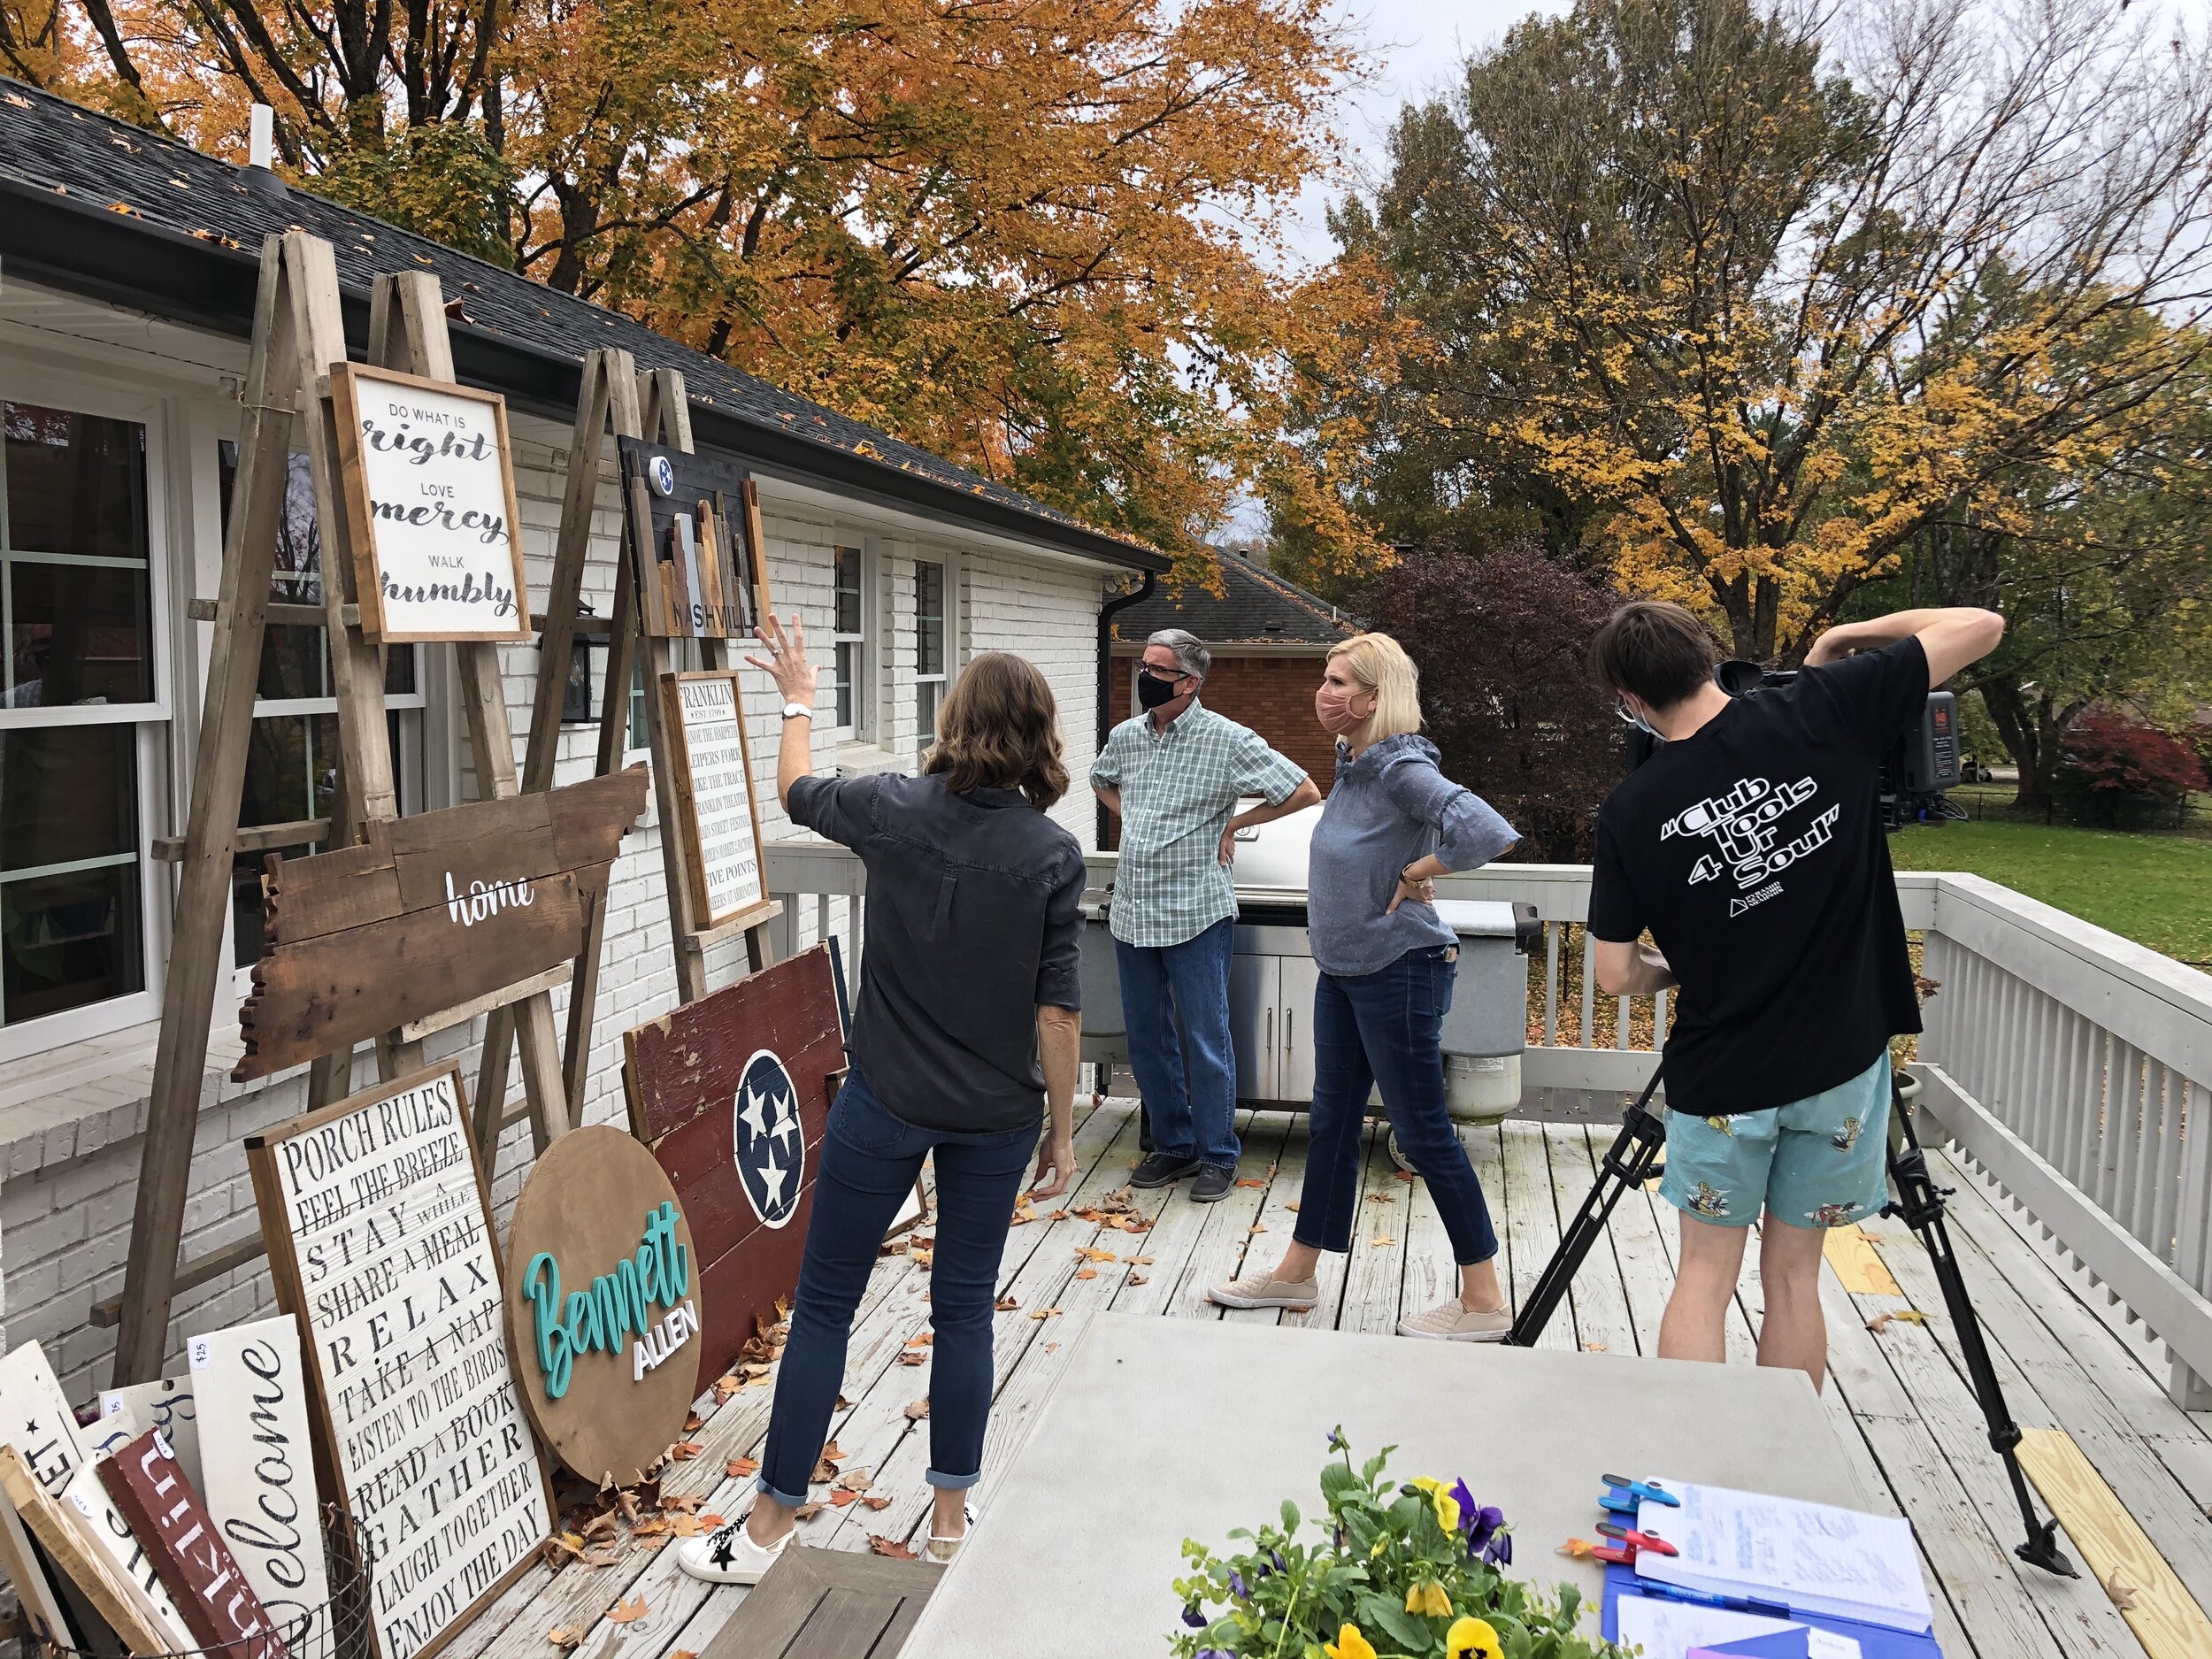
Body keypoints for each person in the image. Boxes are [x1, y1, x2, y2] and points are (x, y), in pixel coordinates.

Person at [677, 619, 1085, 1586]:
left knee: (823, 1306)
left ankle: (769, 1528)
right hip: (996, 1115)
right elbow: (1058, 1014)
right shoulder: (1052, 853)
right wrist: (1063, 1131)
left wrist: (800, 697)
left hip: (887, 1101)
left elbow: (790, 788)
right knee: (964, 1312)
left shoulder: (891, 809)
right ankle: (948, 1520)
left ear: (955, 721)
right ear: (1037, 735)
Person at [1585, 600, 2005, 1387]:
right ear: (1706, 657)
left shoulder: (1632, 809)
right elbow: (1981, 625)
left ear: (1631, 699)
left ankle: (1698, 1480)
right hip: (1838, 1066)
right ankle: (1786, 1475)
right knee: (1794, 1278)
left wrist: (1676, 970)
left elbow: (1615, 974)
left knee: (1704, 1279)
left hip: (1723, 1079)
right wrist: (1847, 640)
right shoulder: (1824, 705)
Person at [1208, 634, 1521, 1338]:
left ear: (1377, 697)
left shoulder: (1399, 763)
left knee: (1423, 1132)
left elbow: (1484, 829)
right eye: (1324, 678)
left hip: (1398, 972)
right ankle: (1295, 1275)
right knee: (1332, 1124)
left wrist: (1416, 872)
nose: (1324, 692)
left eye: (1341, 682)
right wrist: (1409, 860)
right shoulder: (1353, 762)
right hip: (1345, 972)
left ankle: (1484, 1301)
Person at [1092, 628, 1321, 1202]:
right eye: (1142, 664)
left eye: (1156, 668)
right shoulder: (1126, 736)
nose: (1143, 675)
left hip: (1197, 911)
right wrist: (1137, 817)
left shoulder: (1227, 739)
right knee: (1147, 1037)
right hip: (1134, 910)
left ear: (1189, 682)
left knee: (1205, 1036)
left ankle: (1218, 1153)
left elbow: (1304, 789)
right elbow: (1101, 780)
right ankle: (1172, 1144)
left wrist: (1234, 824)